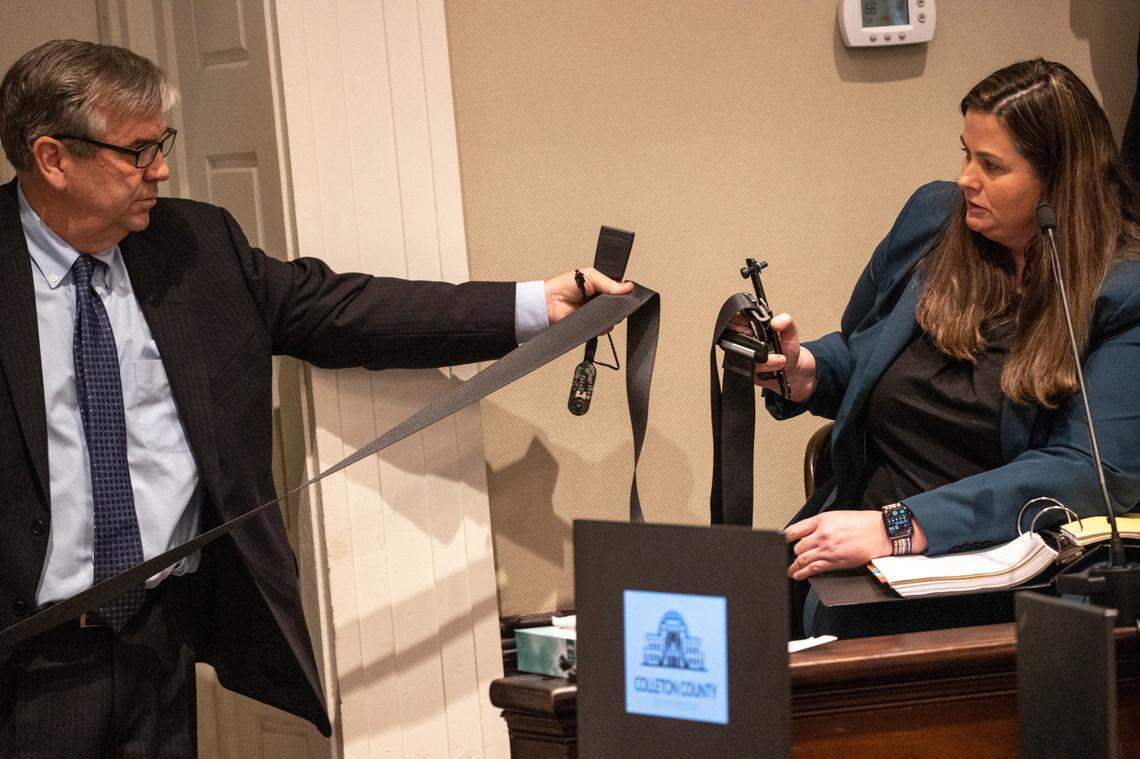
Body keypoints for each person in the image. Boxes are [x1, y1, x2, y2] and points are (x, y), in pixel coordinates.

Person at [0, 39, 631, 757]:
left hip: (161, 637)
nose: (162, 169)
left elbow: (337, 308)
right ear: (53, 158)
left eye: (161, 144)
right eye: (137, 151)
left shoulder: (196, 245)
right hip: (28, 661)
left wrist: (531, 304)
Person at [752, 59, 1140, 638]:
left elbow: (1087, 473)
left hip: (998, 568)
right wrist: (807, 369)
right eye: (966, 154)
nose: (965, 179)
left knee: (826, 629)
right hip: (859, 538)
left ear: (1059, 183)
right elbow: (866, 353)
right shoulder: (934, 220)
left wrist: (899, 527)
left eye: (991, 165)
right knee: (729, 602)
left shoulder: (1122, 293)